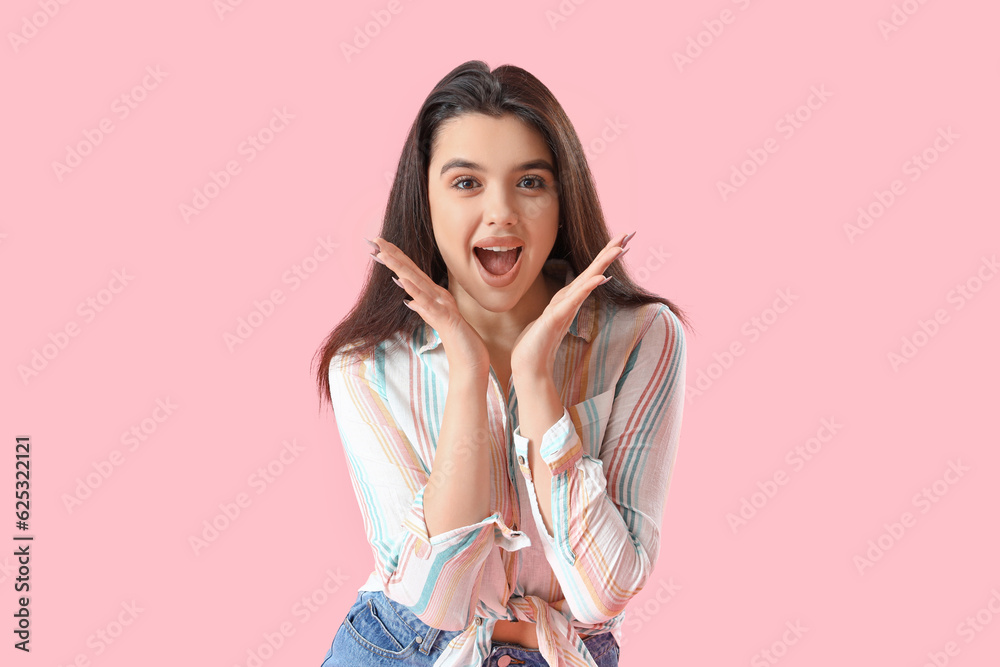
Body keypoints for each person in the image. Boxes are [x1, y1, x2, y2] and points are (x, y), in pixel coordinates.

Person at [312, 60, 690, 667]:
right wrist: (468, 376)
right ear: (426, 201)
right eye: (466, 183)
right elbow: (436, 601)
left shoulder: (641, 338)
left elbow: (603, 592)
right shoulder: (366, 367)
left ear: (564, 199)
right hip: (401, 652)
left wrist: (537, 380)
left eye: (531, 182)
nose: (501, 213)